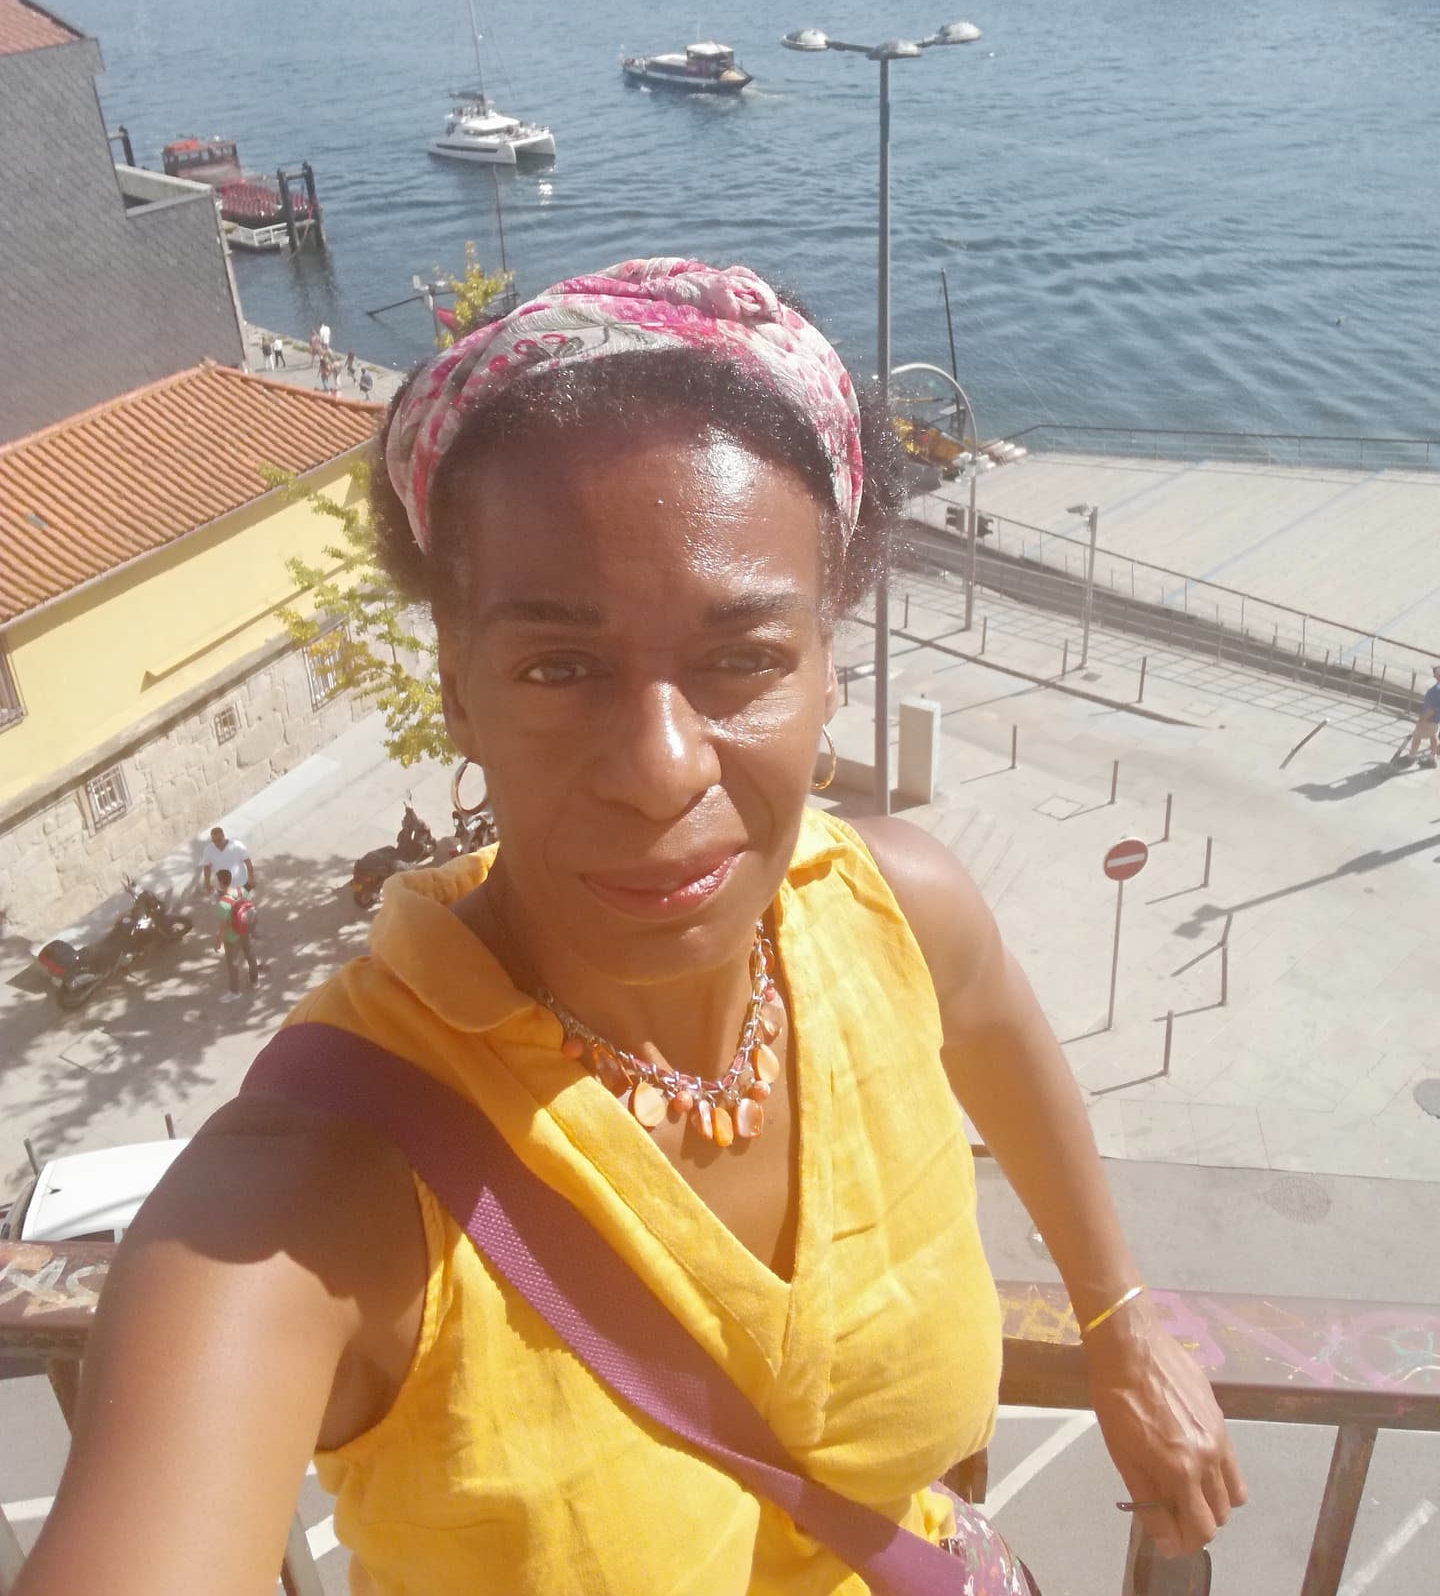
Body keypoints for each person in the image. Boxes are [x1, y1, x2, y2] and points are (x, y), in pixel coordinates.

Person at [16, 259, 1244, 1596]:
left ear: (830, 666)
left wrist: (1120, 1324)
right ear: (460, 694)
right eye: (559, 666)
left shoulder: (894, 915)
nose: (662, 767)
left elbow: (998, 1025)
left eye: (743, 659)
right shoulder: (310, 1200)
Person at [213, 867, 258, 1000]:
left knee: (232, 964)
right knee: (250, 954)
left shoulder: (223, 904)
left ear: (220, 883)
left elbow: (223, 926)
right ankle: (254, 980)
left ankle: (234, 992)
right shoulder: (242, 890)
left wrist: (218, 942)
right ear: (231, 880)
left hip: (232, 937)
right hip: (245, 930)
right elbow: (248, 907)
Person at [1398, 662, 1440, 767]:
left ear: (1437, 675)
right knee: (1433, 737)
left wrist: (1421, 720)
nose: (1433, 673)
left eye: (1434, 671)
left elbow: (1431, 710)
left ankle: (1411, 757)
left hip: (1428, 720)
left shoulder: (1435, 691)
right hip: (1436, 721)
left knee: (1416, 737)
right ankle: (1432, 759)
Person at [200, 823, 254, 896]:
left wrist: (251, 878)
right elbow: (206, 867)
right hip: (222, 889)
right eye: (214, 841)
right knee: (227, 906)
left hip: (241, 885)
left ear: (223, 836)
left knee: (244, 905)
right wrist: (207, 884)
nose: (217, 843)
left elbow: (247, 861)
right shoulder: (208, 850)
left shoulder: (237, 845)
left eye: (219, 840)